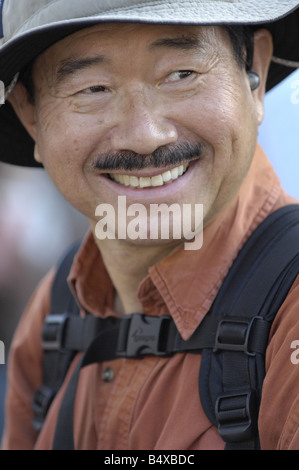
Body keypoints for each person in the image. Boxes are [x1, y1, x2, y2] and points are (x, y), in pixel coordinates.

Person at [1, 0, 299, 451]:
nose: (144, 135)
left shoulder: (289, 311)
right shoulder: (56, 311)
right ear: (30, 116)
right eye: (93, 88)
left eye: (181, 75)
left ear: (252, 72)